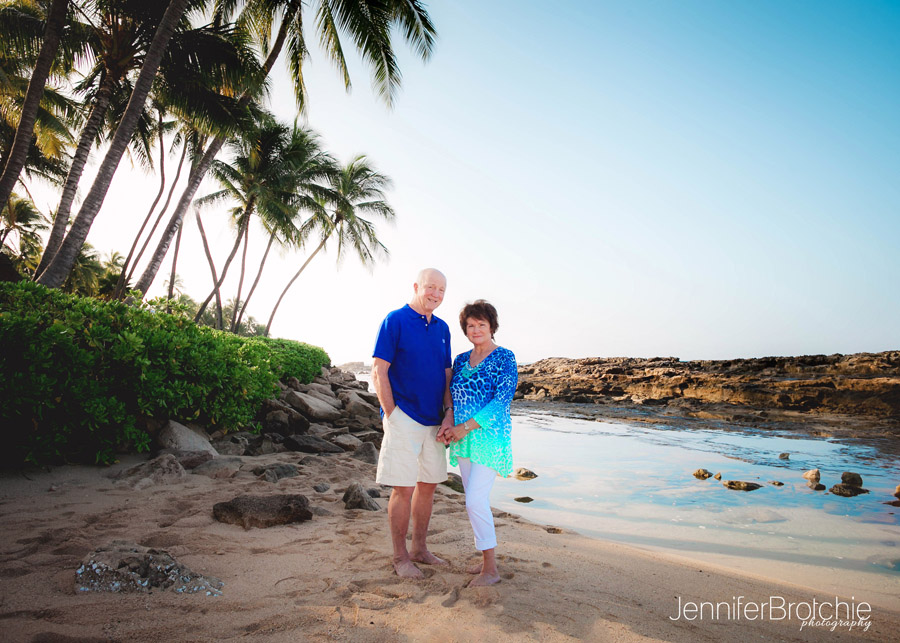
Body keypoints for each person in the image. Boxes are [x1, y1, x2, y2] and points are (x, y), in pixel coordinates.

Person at [371, 268, 455, 579]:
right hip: (403, 416)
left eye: (442, 290)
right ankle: (399, 556)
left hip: (435, 419)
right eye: (431, 287)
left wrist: (449, 412)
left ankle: (419, 548)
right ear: (417, 286)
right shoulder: (395, 320)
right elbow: (379, 370)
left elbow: (446, 375)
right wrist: (391, 414)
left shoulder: (443, 328)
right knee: (403, 488)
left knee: (429, 485)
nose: (436, 294)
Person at [438, 299, 517, 587]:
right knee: (474, 502)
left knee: (474, 501)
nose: (476, 330)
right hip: (463, 441)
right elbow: (450, 394)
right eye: (470, 325)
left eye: (481, 324)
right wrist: (449, 424)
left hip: (489, 438)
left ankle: (491, 570)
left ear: (491, 326)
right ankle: (486, 560)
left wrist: (464, 427)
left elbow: (501, 402)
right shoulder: (460, 360)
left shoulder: (504, 357)